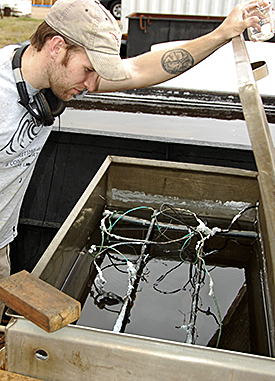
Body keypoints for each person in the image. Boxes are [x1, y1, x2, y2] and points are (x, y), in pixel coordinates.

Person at [0, 0, 267, 319]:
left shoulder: (54, 80)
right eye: (88, 69)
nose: (90, 85)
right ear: (57, 46)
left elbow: (141, 69)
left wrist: (223, 32)